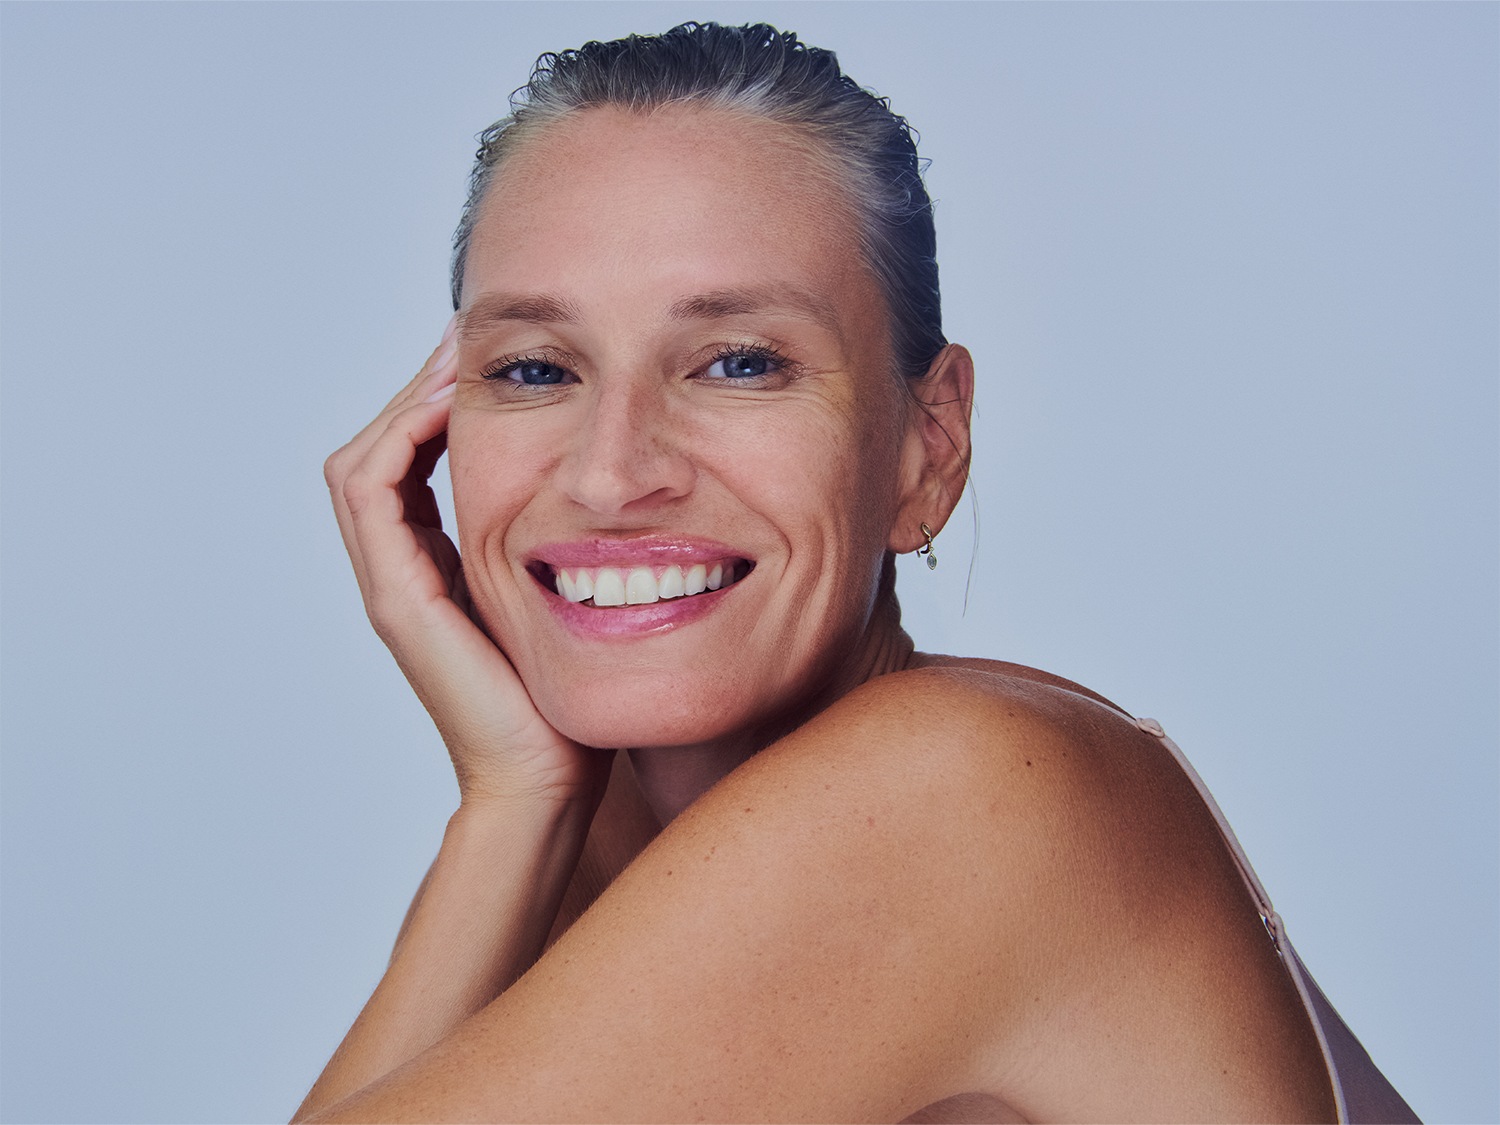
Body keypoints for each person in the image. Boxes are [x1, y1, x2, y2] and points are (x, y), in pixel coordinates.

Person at [300, 22, 1417, 1123]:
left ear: (927, 447)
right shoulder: (600, 848)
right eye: (537, 368)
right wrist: (515, 806)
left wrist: (510, 816)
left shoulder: (963, 796)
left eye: (741, 362)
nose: (609, 473)